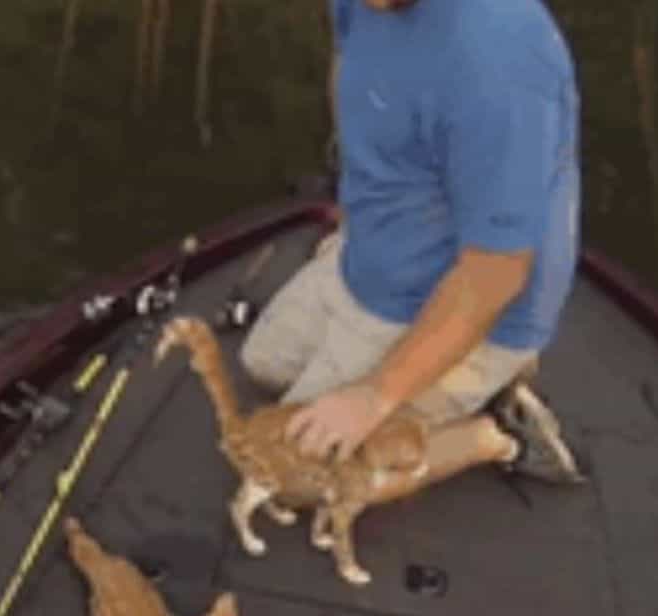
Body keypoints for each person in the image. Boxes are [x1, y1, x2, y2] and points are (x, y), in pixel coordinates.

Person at [242, 0, 584, 484]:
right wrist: (357, 190)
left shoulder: (501, 56)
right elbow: (352, 61)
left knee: (292, 478)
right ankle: (455, 388)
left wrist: (374, 396)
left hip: (474, 295)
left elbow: (497, 272)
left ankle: (497, 434)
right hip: (376, 254)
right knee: (263, 365)